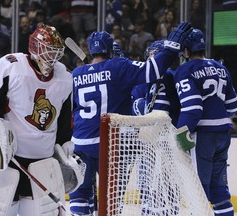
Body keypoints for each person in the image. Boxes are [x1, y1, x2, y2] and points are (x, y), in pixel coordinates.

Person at [69, 22, 193, 215]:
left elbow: (72, 108)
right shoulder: (118, 66)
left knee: (80, 194)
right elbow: (151, 71)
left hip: (81, 142)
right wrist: (170, 47)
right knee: (111, 197)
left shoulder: (76, 74)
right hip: (108, 144)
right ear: (111, 50)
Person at [0, 24, 85, 216]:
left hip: (44, 161)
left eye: (56, 53)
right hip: (9, 161)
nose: (53, 58)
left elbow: (65, 118)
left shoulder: (65, 77)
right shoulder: (11, 65)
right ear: (35, 48)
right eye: (48, 52)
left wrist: (64, 144)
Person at [173, 29, 237, 216]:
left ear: (186, 50)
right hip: (223, 134)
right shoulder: (221, 68)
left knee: (198, 191)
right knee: (219, 190)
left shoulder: (184, 70)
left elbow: (192, 108)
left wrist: (180, 137)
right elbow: (233, 105)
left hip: (203, 136)